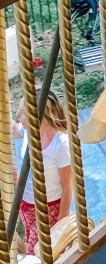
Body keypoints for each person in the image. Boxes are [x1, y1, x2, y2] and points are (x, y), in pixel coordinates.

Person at [12, 90, 72, 255]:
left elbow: (67, 186)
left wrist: (61, 222)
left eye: (22, 113)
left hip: (48, 210)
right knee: (30, 246)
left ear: (40, 116)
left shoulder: (61, 144)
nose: (17, 115)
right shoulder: (28, 132)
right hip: (27, 204)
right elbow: (10, 129)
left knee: (40, 257)